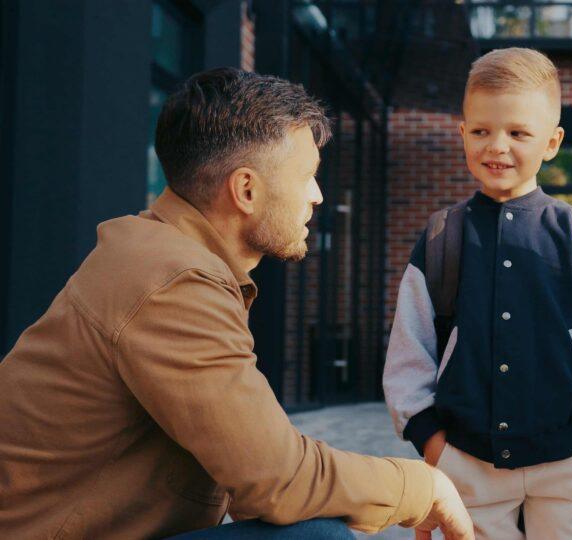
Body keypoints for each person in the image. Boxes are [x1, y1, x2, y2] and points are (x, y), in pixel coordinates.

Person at [0, 68, 472, 540]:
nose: (318, 196)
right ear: (246, 190)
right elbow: (278, 479)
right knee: (313, 538)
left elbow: (258, 473)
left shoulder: (157, 254)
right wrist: (423, 486)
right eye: (308, 177)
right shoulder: (176, 281)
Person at [383, 48, 572, 540]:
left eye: (518, 133)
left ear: (552, 142)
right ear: (462, 133)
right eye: (481, 131)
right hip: (469, 463)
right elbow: (408, 352)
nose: (496, 146)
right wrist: (434, 444)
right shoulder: (443, 236)